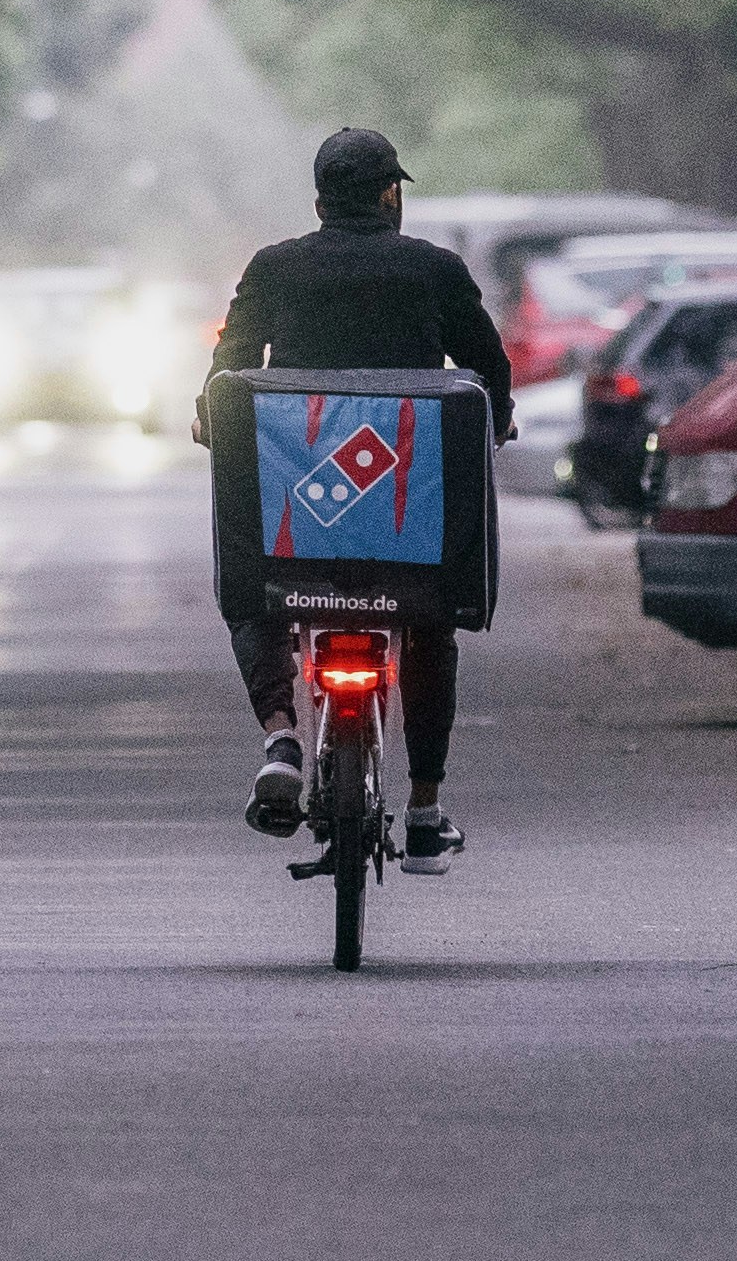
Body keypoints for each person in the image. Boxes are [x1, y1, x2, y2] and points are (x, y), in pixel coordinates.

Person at [194, 127, 513, 864]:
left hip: (300, 518)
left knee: (257, 592)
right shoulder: (434, 269)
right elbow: (489, 372)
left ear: (318, 203)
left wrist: (211, 423)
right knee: (431, 626)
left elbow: (227, 372)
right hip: (411, 524)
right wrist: (498, 423)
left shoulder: (272, 268)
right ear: (390, 196)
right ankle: (426, 811)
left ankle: (281, 736)